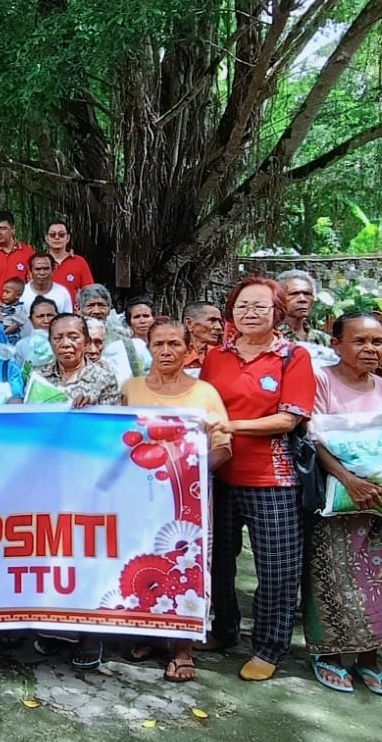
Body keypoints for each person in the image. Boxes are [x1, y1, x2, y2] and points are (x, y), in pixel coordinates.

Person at [201, 277, 317, 683]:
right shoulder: (216, 357)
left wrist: (231, 425)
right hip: (219, 474)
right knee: (218, 561)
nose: (250, 313)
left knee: (277, 568)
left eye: (259, 306)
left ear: (276, 312)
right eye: (242, 306)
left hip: (272, 479)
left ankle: (269, 646)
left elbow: (289, 419)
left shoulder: (293, 356)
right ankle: (224, 629)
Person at [305, 313, 382, 697]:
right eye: (359, 341)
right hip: (337, 498)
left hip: (378, 500)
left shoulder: (381, 385)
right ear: (337, 344)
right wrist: (349, 480)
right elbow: (315, 439)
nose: (370, 349)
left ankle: (370, 658)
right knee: (332, 577)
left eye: (376, 342)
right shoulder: (321, 380)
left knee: (381, 580)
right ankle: (330, 654)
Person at [122, 321, 232, 682]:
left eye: (174, 344)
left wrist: (191, 473)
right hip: (140, 496)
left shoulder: (205, 393)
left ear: (189, 350)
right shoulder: (131, 389)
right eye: (159, 344)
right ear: (148, 348)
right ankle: (147, 635)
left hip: (189, 500)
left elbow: (224, 448)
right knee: (140, 559)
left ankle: (182, 649)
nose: (166, 351)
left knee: (188, 566)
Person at [37, 313, 119, 408]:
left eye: (73, 338)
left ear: (86, 343)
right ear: (50, 342)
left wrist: (91, 408)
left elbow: (109, 416)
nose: (65, 344)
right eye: (58, 338)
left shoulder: (105, 379)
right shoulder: (39, 376)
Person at [42, 220, 94, 306]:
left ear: (68, 238)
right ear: (46, 238)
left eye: (61, 234)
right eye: (52, 235)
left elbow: (90, 292)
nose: (57, 237)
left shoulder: (79, 262)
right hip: (44, 312)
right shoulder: (38, 263)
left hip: (72, 313)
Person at [182, 301, 224, 369]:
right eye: (212, 320)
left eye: (219, 322)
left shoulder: (222, 356)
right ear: (189, 323)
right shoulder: (174, 356)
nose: (219, 327)